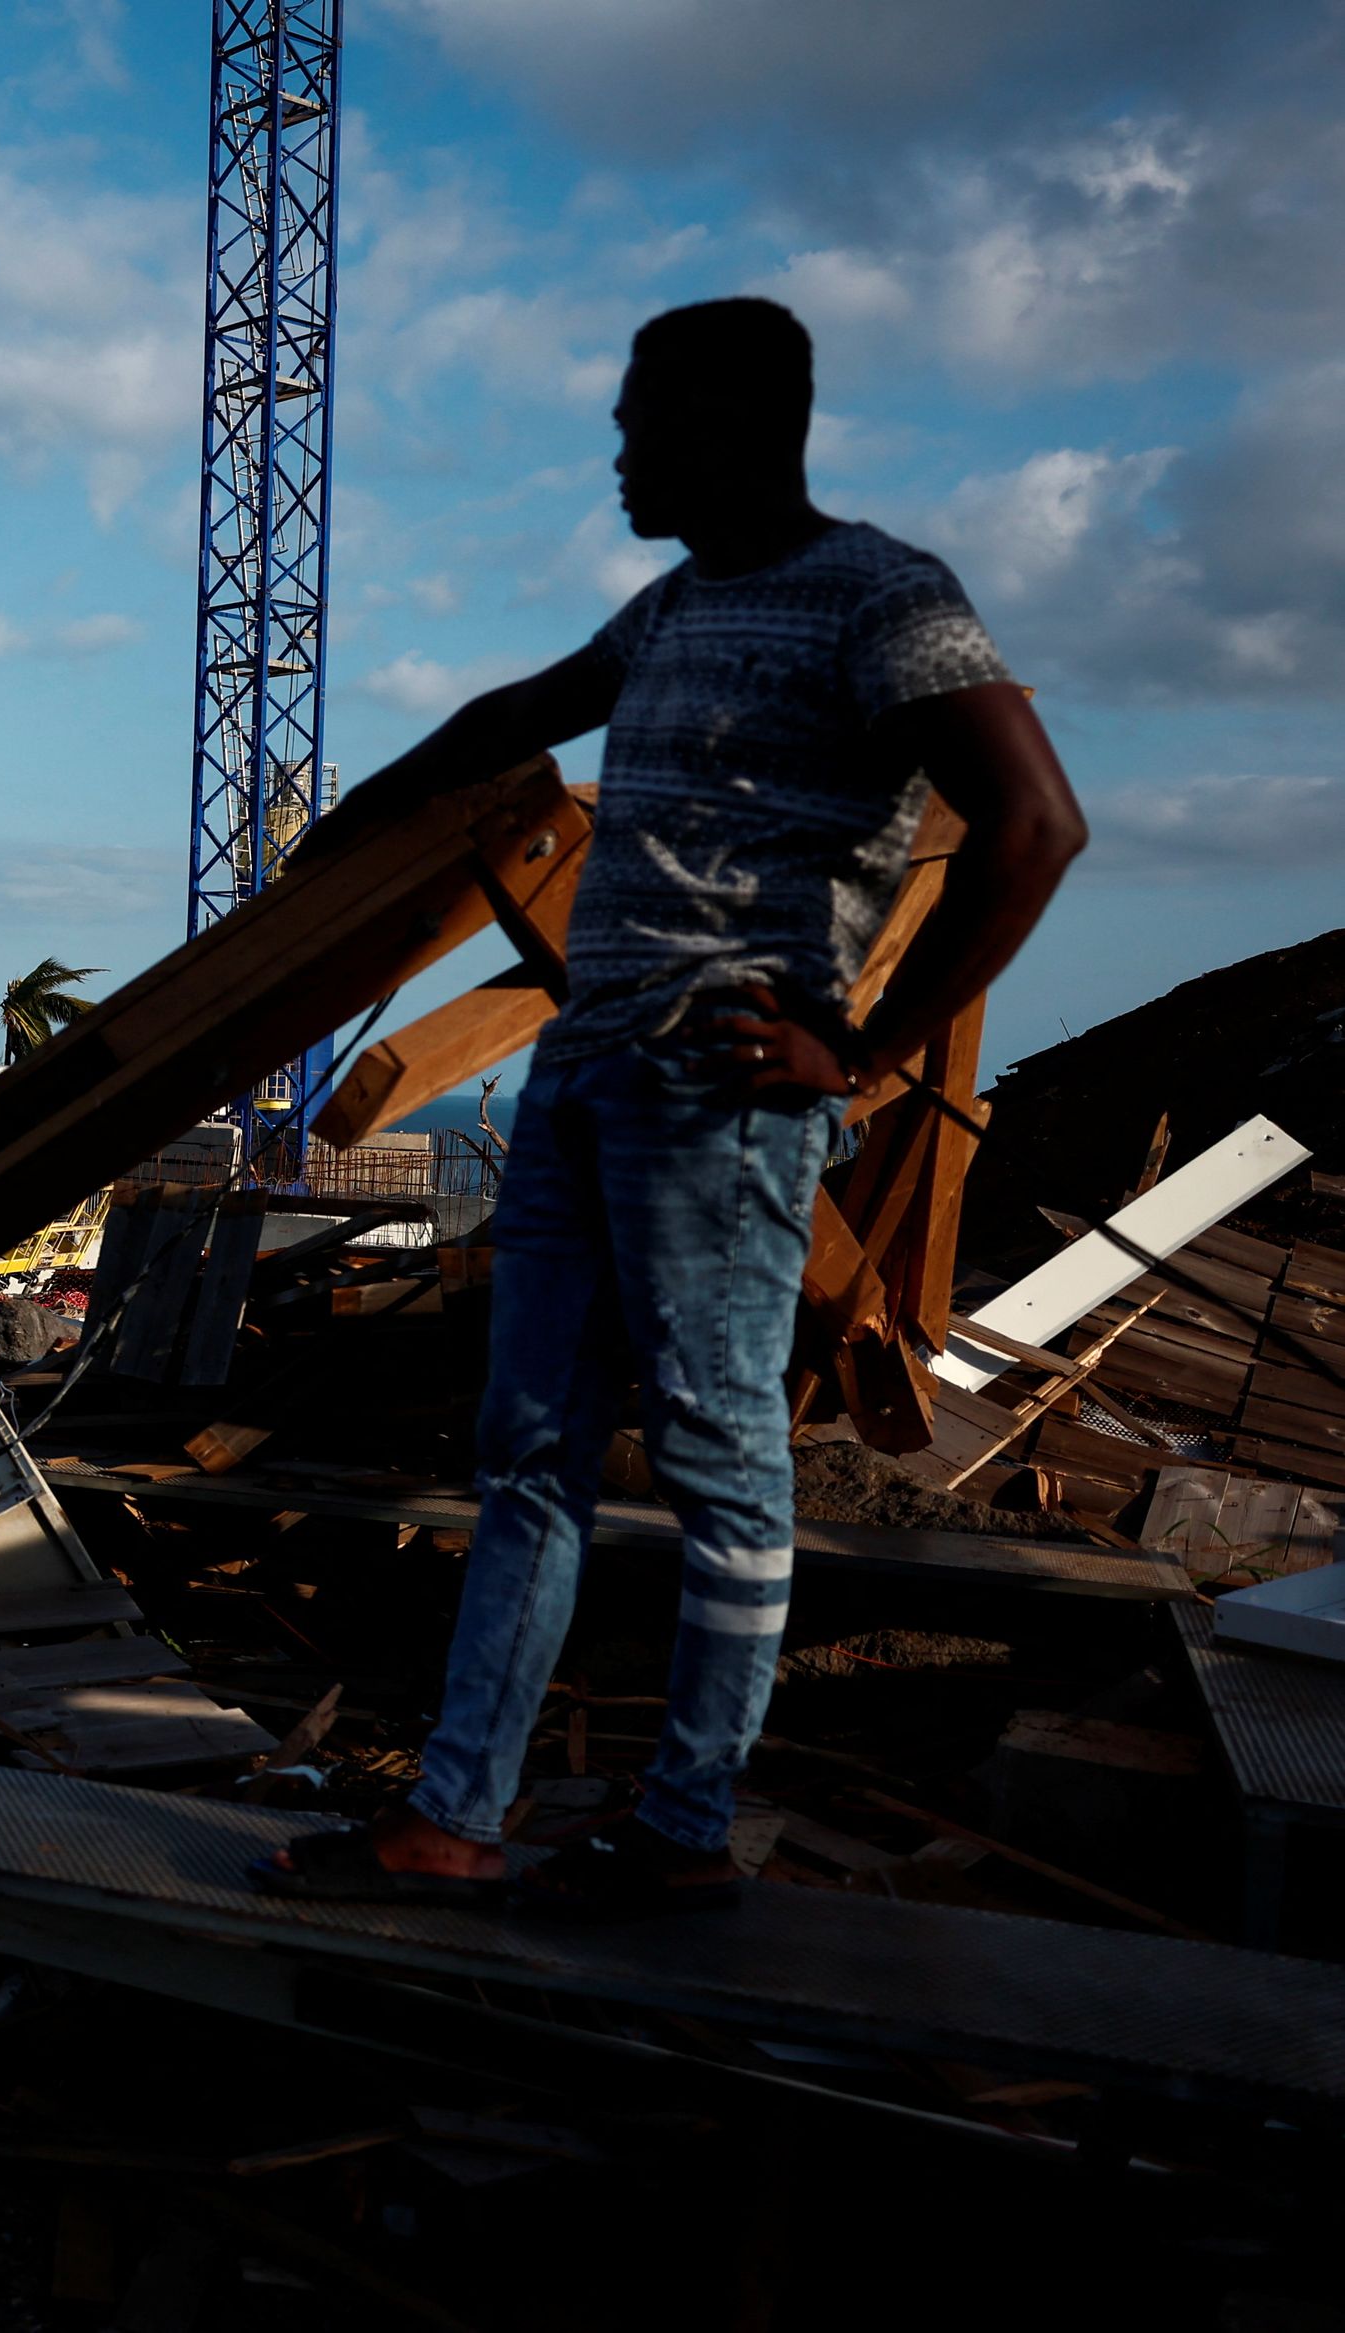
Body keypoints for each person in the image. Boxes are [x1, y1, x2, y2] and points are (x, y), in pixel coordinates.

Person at [255, 298, 1087, 1920]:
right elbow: (519, 713)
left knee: (717, 1456)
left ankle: (686, 1825)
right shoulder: (676, 605)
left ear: (731, 421)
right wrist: (351, 820)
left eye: (641, 419)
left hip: (718, 1103)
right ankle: (453, 1815)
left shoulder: (886, 599)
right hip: (581, 1075)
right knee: (529, 1452)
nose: (620, 448)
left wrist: (853, 1051)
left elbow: (1035, 824)